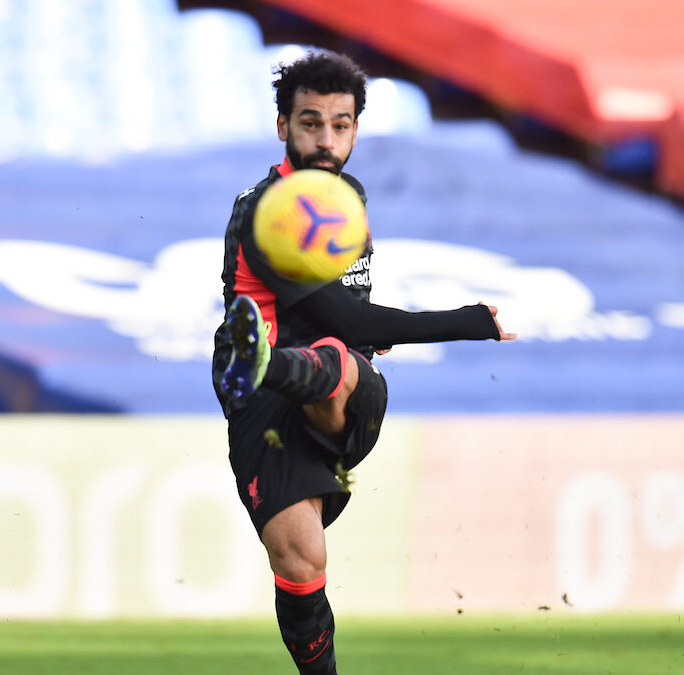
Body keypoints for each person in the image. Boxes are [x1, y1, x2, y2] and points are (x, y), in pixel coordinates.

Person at [212, 51, 516, 674]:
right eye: (310, 123)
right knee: (301, 562)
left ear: (356, 129)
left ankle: (263, 362)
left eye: (340, 125)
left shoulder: (348, 199)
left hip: (338, 385)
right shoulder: (265, 210)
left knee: (338, 360)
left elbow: (351, 323)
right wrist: (468, 322)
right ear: (281, 126)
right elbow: (348, 318)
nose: (326, 140)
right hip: (262, 405)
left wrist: (367, 337)